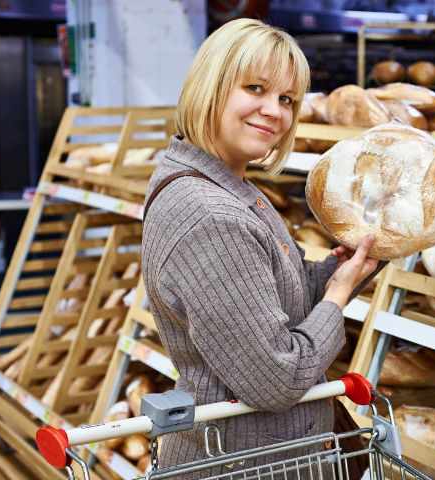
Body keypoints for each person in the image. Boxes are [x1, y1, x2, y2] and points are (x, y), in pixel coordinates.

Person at [141, 18, 380, 476]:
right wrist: (337, 297)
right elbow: (277, 377)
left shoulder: (226, 184)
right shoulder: (210, 212)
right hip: (244, 462)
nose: (274, 111)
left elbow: (270, 300)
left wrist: (335, 271)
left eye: (287, 99)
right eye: (255, 88)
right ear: (211, 86)